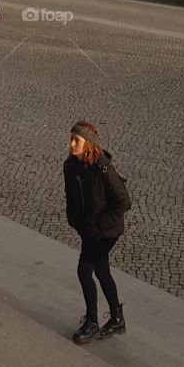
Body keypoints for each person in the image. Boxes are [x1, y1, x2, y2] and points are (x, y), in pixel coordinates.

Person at [63, 121, 131, 344]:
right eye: (71, 139)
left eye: (77, 140)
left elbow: (123, 202)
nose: (72, 144)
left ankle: (91, 321)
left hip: (107, 231)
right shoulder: (70, 166)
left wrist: (98, 225)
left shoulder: (103, 169)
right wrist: (75, 221)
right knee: (101, 271)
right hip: (89, 230)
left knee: (84, 270)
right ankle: (117, 317)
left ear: (88, 144)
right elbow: (72, 199)